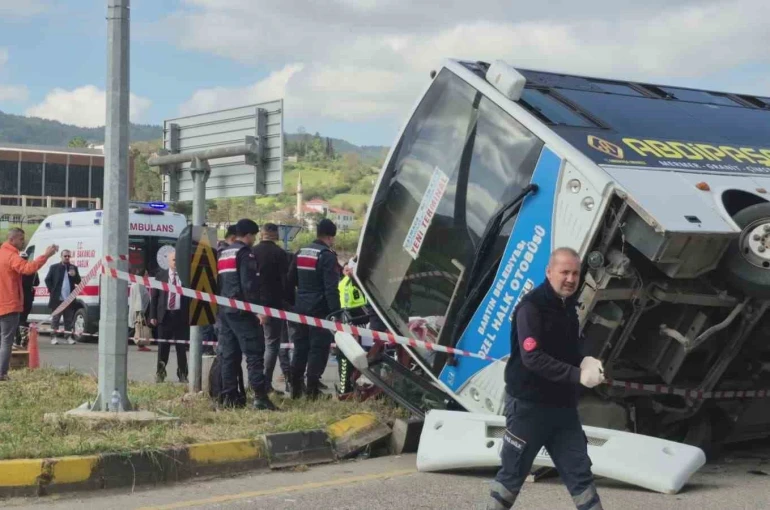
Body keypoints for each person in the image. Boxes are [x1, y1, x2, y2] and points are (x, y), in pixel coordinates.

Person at [487, 247, 605, 510]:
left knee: (581, 476)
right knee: (511, 478)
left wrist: (584, 360)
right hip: (529, 409)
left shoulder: (568, 308)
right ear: (549, 272)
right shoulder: (531, 308)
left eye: (575, 273)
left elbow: (568, 350)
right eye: (564, 272)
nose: (571, 279)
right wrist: (577, 374)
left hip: (563, 411)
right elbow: (533, 359)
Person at [216, 218, 276, 410]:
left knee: (229, 354)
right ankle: (260, 397)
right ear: (249, 235)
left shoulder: (224, 252)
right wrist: (258, 310)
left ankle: (229, 397)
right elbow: (249, 286)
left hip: (225, 310)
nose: (254, 239)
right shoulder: (244, 254)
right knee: (254, 353)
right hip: (242, 311)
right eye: (254, 236)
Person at [287, 218, 341, 400]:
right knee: (318, 348)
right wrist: (336, 313)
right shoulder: (327, 255)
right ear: (330, 236)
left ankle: (295, 388)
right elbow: (331, 288)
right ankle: (312, 389)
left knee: (300, 347)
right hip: (320, 310)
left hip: (300, 308)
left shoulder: (301, 252)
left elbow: (290, 280)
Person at [0, 228, 57, 381]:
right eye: (21, 239)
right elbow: (28, 268)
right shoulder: (11, 256)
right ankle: (2, 374)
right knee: (6, 340)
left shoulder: (2, 253)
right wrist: (46, 255)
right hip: (9, 304)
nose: (23, 242)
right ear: (12, 240)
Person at [252, 222, 291, 395]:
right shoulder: (280, 254)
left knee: (254, 346)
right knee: (272, 345)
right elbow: (286, 282)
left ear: (261, 233)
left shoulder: (251, 252)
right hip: (274, 306)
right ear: (276, 234)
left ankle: (253, 382)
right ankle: (265, 384)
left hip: (250, 305)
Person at [150, 249, 190, 383]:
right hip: (164, 316)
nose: (176, 263)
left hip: (180, 316)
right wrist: (153, 316)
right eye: (174, 260)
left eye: (178, 260)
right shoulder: (160, 276)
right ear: (168, 261)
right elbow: (154, 297)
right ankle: (160, 373)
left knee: (181, 348)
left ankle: (183, 375)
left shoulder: (185, 276)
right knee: (163, 348)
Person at [44, 249, 81, 345]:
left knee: (68, 320)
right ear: (61, 257)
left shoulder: (73, 268)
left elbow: (78, 281)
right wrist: (52, 290)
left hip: (69, 299)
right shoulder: (54, 267)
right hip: (57, 299)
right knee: (55, 319)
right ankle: (53, 337)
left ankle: (68, 337)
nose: (67, 258)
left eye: (69, 256)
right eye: (65, 256)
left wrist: (74, 275)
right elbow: (47, 279)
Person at [14, 251, 40, 350]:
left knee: (18, 319)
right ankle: (23, 339)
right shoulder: (32, 270)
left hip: (18, 296)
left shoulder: (17, 269)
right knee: (23, 319)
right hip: (28, 297)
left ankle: (18, 339)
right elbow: (37, 283)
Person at [128, 267, 152, 352]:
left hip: (143, 309)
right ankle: (140, 345)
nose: (148, 276)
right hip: (141, 311)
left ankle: (140, 344)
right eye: (146, 274)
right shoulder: (138, 284)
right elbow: (138, 299)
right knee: (139, 328)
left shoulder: (140, 283)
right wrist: (140, 314)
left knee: (137, 328)